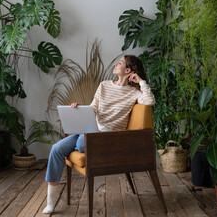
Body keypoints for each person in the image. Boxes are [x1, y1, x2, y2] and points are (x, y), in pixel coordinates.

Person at [42, 55, 155, 214]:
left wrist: (141, 81)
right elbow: (93, 108)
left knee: (81, 144)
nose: (116, 64)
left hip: (107, 136)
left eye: (120, 63)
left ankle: (81, 139)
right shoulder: (104, 85)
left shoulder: (133, 93)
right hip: (90, 129)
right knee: (56, 149)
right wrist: (79, 108)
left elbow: (149, 101)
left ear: (128, 70)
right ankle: (51, 203)